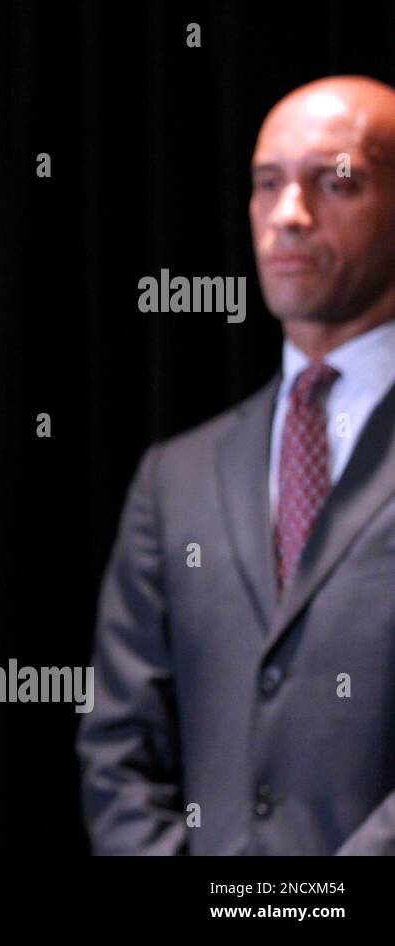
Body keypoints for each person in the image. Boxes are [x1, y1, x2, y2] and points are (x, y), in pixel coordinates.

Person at [77, 76, 395, 855]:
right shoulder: (174, 475)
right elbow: (118, 753)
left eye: (336, 180)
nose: (290, 213)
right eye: (267, 184)